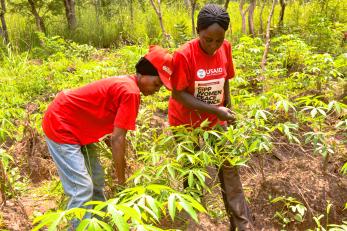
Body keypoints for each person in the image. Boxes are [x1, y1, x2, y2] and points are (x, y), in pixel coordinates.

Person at [42, 45, 173, 229]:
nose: (157, 89)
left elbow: (111, 128)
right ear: (143, 74)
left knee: (96, 179)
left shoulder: (128, 85)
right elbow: (118, 139)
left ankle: (99, 225)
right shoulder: (130, 92)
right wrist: (121, 182)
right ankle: (78, 227)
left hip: (77, 126)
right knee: (81, 188)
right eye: (157, 83)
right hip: (62, 125)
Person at [168, 4, 254, 231]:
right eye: (208, 40)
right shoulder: (183, 55)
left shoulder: (225, 47)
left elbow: (225, 79)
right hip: (186, 123)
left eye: (219, 40)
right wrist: (216, 110)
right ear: (198, 31)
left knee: (230, 170)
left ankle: (241, 225)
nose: (214, 46)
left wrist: (228, 108)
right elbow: (178, 93)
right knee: (193, 177)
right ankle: (194, 226)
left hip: (217, 120)